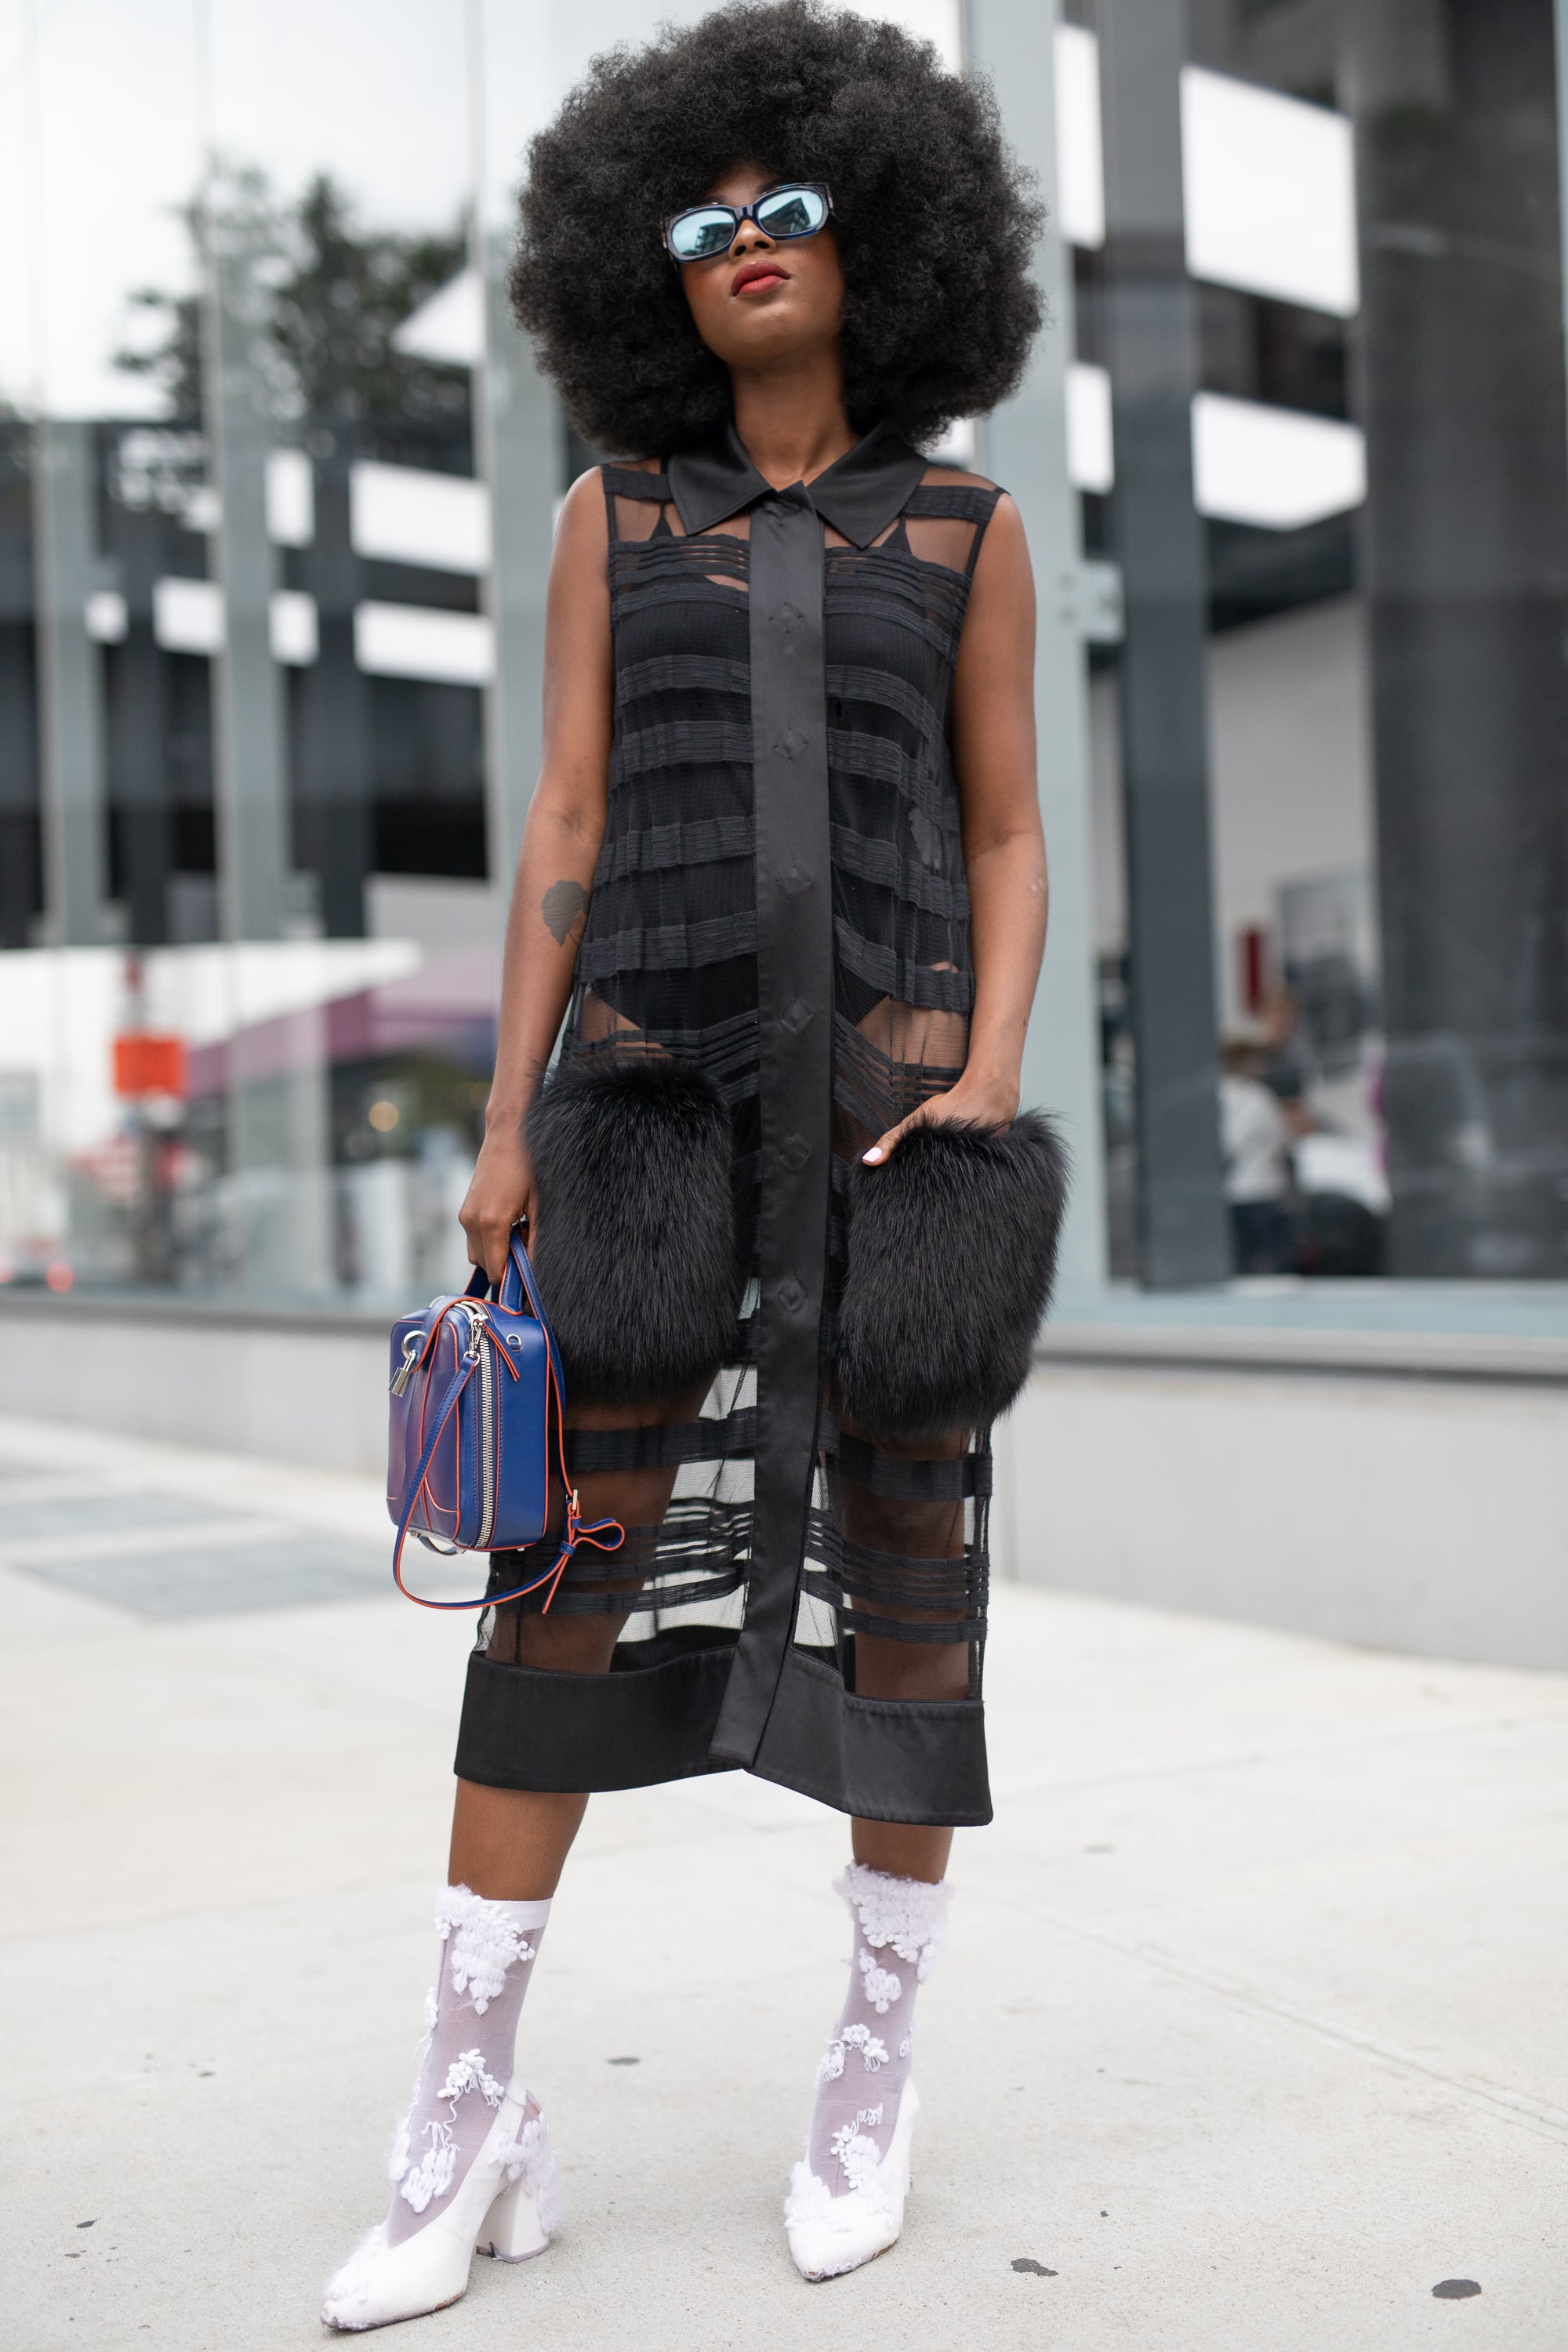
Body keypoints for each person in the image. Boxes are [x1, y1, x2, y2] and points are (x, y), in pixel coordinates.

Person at [323, 3, 1064, 2327]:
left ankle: (871, 2065)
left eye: (791, 203)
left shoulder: (965, 529)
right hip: (642, 1122)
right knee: (562, 1591)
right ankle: (466, 2110)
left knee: (909, 1595)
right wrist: (508, 1122)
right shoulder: (607, 513)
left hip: (881, 1126)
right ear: (643, 264)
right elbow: (561, 816)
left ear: (883, 237)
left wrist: (989, 1068)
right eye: (701, 213)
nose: (745, 241)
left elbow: (1014, 821)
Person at [1221, 1032, 1295, 1274]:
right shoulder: (1255, 1098)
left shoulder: (1219, 1095)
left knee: (1242, 1262)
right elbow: (1280, 1139)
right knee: (1272, 1261)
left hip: (1234, 1190)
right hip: (1260, 1191)